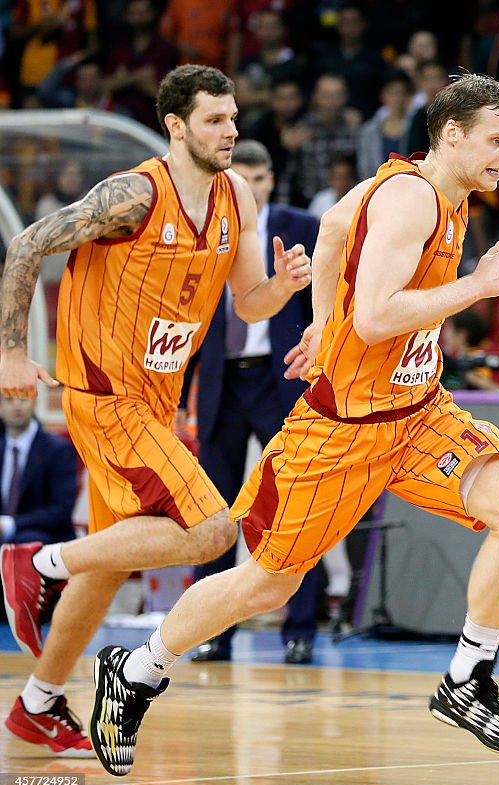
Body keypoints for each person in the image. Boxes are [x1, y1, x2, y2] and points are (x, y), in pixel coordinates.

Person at [89, 72, 499, 777]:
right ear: (451, 135)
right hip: (341, 431)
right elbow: (377, 316)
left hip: (417, 412)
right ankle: (139, 668)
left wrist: (319, 324)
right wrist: (476, 288)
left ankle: (467, 680)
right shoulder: (410, 200)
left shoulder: (421, 190)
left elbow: (334, 228)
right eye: (494, 140)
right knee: (264, 586)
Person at [0, 64, 311, 759]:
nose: (230, 131)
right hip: (105, 398)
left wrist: (285, 288)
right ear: (176, 126)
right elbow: (27, 244)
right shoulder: (133, 195)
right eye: (214, 120)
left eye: (233, 118)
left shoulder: (238, 198)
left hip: (158, 404)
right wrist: (11, 354)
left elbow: (248, 303)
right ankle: (35, 562)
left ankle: (37, 703)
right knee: (211, 530)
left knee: (109, 567)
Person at [180, 139, 321, 665]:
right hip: (221, 379)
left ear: (270, 181)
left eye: (259, 179)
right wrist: (181, 388)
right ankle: (211, 631)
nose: (251, 189)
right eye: (242, 179)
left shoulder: (302, 225)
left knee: (295, 504)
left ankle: (300, 629)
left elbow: (326, 293)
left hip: (282, 377)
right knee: (213, 510)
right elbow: (192, 312)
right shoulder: (209, 226)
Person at [0, 395, 78, 547]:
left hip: (44, 538)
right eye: (9, 399)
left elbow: (61, 510)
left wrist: (10, 524)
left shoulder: (58, 450)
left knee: (26, 542)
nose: (17, 405)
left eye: (23, 398)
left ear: (35, 402)